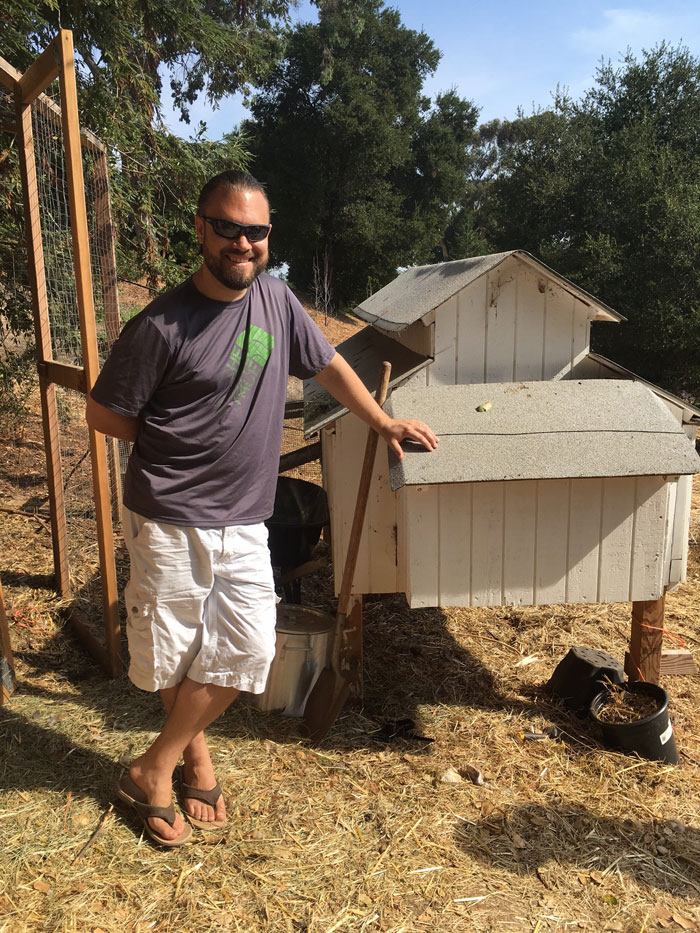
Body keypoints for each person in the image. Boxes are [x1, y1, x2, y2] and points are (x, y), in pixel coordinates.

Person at [86, 169, 438, 847]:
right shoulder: (160, 324)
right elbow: (104, 413)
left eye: (256, 231)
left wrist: (380, 420)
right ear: (201, 227)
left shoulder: (277, 300)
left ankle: (151, 765)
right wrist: (176, 444)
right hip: (169, 513)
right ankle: (193, 760)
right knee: (180, 651)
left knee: (248, 647)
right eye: (227, 227)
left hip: (246, 514)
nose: (242, 243)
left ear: (269, 235)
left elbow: (326, 363)